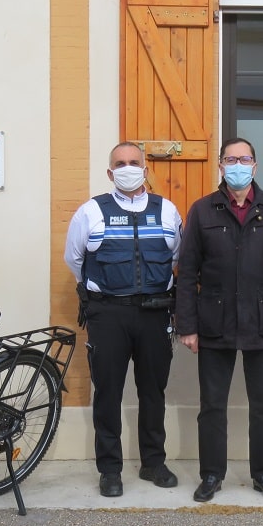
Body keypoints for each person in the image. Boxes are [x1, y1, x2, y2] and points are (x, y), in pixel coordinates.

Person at [176, 138, 263, 503]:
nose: (238, 165)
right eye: (231, 159)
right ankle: (211, 474)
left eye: (244, 159)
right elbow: (186, 273)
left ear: (255, 166)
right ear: (220, 165)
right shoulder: (202, 210)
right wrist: (188, 326)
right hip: (214, 321)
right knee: (212, 406)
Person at [64, 142, 182, 498]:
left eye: (134, 163)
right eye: (120, 163)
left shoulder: (167, 211)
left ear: (145, 170)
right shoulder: (91, 212)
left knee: (153, 391)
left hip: (154, 313)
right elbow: (75, 260)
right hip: (108, 314)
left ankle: (153, 463)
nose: (128, 168)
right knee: (108, 392)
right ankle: (110, 469)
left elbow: (178, 255)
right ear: (110, 172)